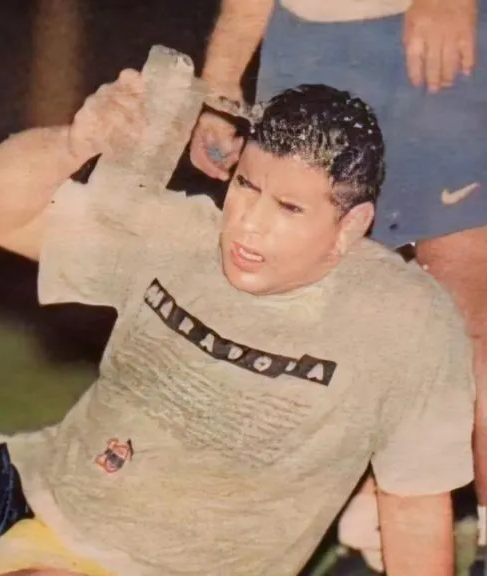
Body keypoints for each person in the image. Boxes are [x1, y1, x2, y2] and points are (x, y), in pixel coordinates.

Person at [0, 64, 475, 576]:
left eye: (289, 209)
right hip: (37, 484)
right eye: (246, 189)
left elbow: (414, 509)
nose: (248, 226)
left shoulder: (402, 322)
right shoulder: (177, 234)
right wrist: (80, 139)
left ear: (352, 226)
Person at [188, 1, 486, 569]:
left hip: (429, 39)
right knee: (317, 303)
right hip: (307, 44)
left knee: (466, 318)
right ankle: (357, 527)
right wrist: (220, 87)